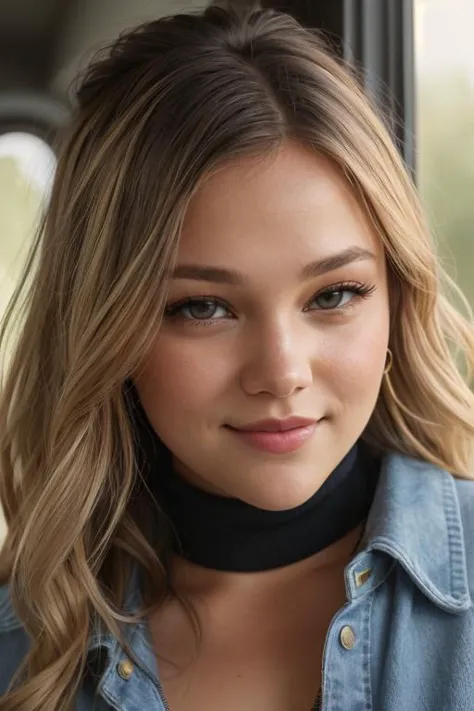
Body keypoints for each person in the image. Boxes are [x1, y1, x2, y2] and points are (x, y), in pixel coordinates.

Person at [1, 2, 474, 710]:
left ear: (398, 296)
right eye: (203, 307)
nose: (282, 372)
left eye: (334, 293)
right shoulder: (20, 646)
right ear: (105, 327)